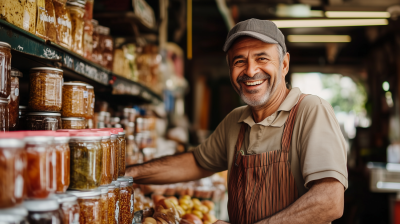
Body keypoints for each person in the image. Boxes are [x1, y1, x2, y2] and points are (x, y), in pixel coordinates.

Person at [126, 18, 348, 224]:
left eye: (262, 58)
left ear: (284, 65)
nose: (250, 71)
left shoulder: (310, 111)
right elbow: (197, 163)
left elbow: (329, 201)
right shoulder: (236, 120)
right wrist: (128, 174)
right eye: (240, 61)